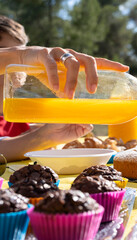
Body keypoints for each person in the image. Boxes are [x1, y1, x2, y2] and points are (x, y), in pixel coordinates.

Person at [0, 15, 129, 162]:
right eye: (6, 55)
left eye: (20, 52)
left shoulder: (16, 116)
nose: (16, 68)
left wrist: (44, 136)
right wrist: (21, 55)